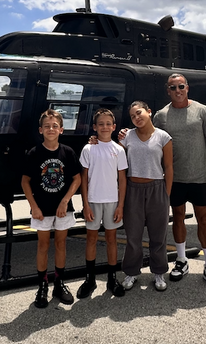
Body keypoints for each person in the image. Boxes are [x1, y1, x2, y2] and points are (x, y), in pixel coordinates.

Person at [153, 73, 206, 291]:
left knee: (204, 219)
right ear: (167, 91)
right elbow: (150, 139)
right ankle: (182, 260)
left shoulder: (202, 111)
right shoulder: (161, 116)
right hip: (174, 179)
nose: (177, 90)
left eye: (181, 86)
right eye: (173, 87)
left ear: (187, 88)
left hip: (198, 177)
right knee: (177, 218)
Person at [21, 109, 82, 308]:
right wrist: (34, 207)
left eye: (55, 126)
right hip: (42, 208)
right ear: (41, 130)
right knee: (43, 246)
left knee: (61, 245)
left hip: (63, 208)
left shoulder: (68, 152)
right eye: (47, 126)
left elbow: (77, 178)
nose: (51, 129)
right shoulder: (34, 153)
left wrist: (65, 200)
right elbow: (25, 181)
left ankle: (59, 282)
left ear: (61, 130)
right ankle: (43, 285)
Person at [119, 101, 173, 292]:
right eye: (133, 116)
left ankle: (158, 272)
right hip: (133, 189)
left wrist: (166, 195)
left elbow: (168, 167)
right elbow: (115, 157)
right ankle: (132, 272)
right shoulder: (126, 137)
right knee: (133, 235)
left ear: (149, 112)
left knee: (158, 234)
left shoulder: (163, 137)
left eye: (139, 113)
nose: (136, 118)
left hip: (156, 188)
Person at [77, 108, 128, 298]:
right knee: (91, 239)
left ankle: (112, 278)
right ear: (94, 127)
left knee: (111, 239)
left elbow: (122, 179)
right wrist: (86, 204)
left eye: (108, 124)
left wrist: (121, 205)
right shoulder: (88, 148)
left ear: (114, 127)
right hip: (93, 201)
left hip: (112, 202)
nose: (105, 127)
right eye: (101, 124)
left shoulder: (118, 150)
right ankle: (89, 279)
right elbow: (84, 179)